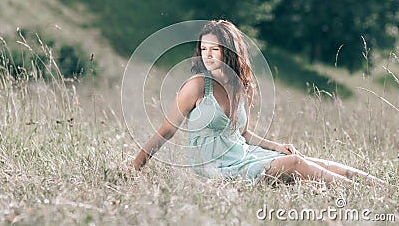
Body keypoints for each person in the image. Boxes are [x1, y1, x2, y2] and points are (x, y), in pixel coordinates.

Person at [131, 20, 384, 186]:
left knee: (304, 158)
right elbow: (166, 131)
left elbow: (241, 132)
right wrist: (135, 168)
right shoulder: (197, 85)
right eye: (203, 48)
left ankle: (378, 186)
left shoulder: (237, 86)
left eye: (214, 49)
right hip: (214, 167)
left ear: (228, 51)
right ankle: (354, 191)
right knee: (295, 165)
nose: (207, 55)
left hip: (242, 154)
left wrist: (276, 146)